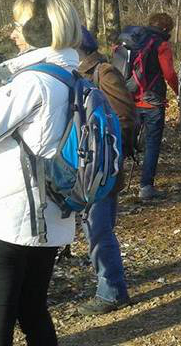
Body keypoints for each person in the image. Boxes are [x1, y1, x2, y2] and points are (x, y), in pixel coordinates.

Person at [0, 0, 82, 345]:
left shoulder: (33, 83)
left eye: (19, 25)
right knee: (32, 309)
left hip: (11, 218)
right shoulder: (71, 75)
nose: (13, 33)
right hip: (53, 213)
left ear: (39, 28)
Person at [74, 28, 136, 314]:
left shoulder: (104, 72)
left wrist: (103, 153)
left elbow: (125, 118)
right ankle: (110, 283)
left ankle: (112, 291)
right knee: (96, 227)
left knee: (98, 228)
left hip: (100, 168)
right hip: (87, 166)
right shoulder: (79, 74)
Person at [134, 12, 179, 200]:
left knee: (125, 142)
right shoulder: (161, 45)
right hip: (153, 100)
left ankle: (113, 183)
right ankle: (146, 186)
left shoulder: (135, 40)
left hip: (130, 98)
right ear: (165, 29)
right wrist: (179, 91)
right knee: (152, 144)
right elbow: (169, 74)